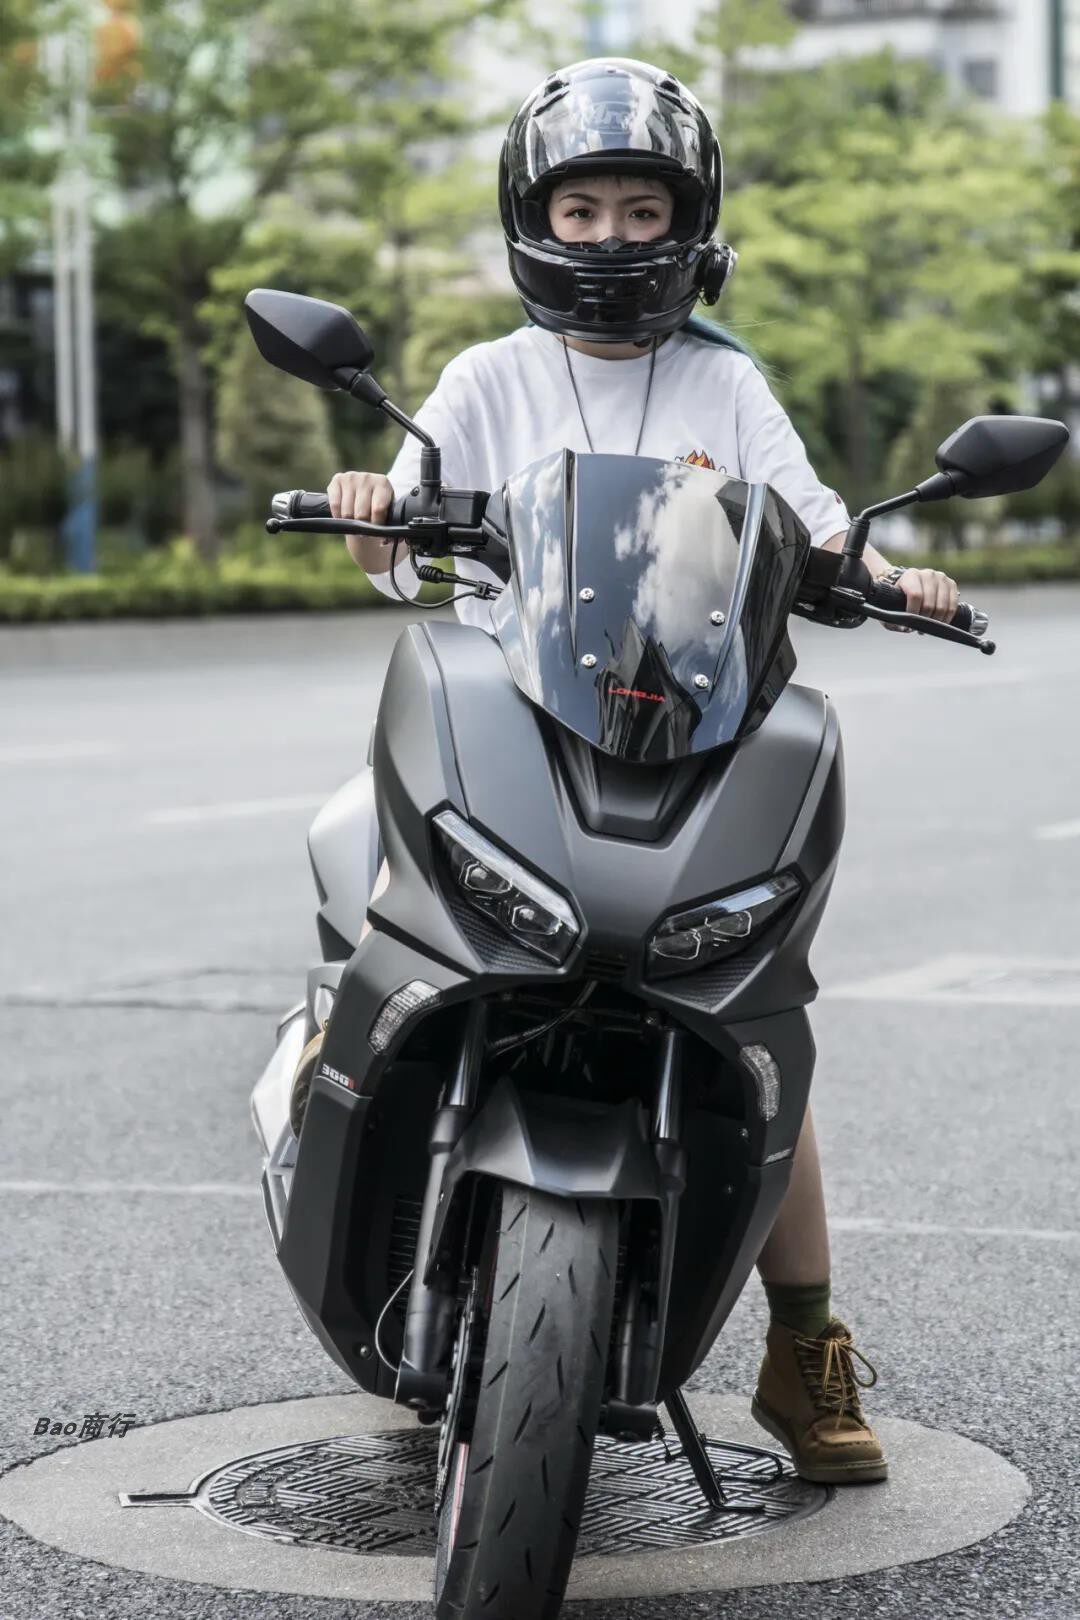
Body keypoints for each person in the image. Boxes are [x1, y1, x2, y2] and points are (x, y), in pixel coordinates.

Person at [326, 57, 960, 1485]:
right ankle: (350, 1146)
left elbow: (815, 530)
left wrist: (889, 571)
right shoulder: (486, 378)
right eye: (583, 208)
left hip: (685, 739)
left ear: (688, 221)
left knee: (750, 1021)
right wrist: (372, 508)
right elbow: (400, 544)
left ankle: (805, 1346)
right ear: (535, 217)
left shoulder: (725, 384)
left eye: (641, 208)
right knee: (389, 927)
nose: (611, 235)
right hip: (509, 731)